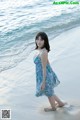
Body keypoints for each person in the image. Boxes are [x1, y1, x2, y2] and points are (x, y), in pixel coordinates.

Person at [33, 32, 67, 112]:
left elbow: (44, 68)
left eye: (41, 39)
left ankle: (53, 108)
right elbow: (47, 63)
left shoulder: (43, 52)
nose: (39, 41)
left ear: (45, 41)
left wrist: (43, 82)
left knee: (49, 93)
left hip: (44, 76)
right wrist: (52, 72)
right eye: (37, 39)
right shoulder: (40, 50)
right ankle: (60, 103)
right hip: (42, 75)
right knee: (49, 91)